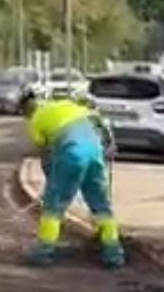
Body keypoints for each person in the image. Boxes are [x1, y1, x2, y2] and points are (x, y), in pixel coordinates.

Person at [26, 96, 125, 269]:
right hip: (96, 153)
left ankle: (43, 252)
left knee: (53, 207)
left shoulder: (36, 120)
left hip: (72, 155)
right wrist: (108, 148)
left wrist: (52, 183)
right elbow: (100, 125)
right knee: (101, 205)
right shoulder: (70, 106)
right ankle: (113, 253)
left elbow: (46, 155)